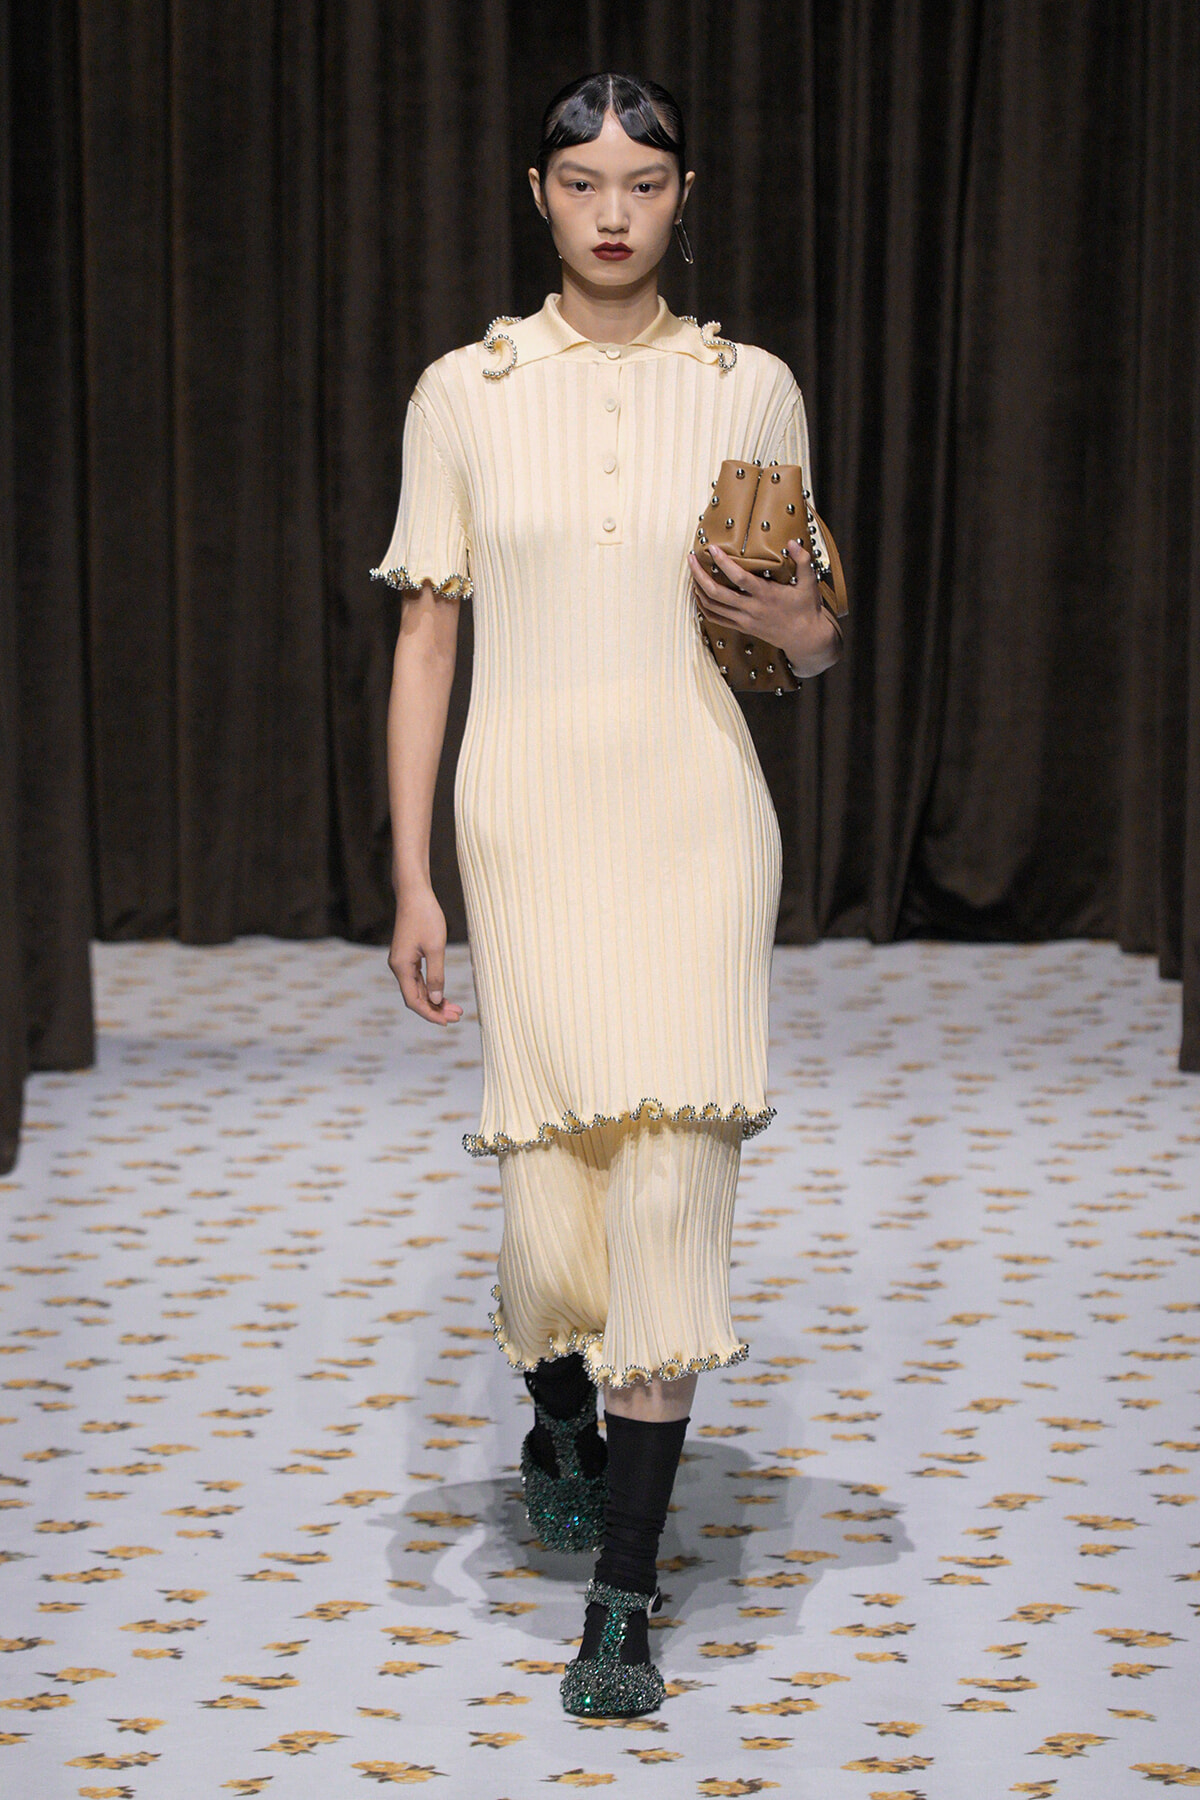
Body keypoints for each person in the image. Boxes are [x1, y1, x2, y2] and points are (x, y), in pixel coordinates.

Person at [373, 71, 842, 1719]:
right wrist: (414, 872)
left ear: (684, 193)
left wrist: (788, 622)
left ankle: (623, 1600)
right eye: (585, 182)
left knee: (671, 1182)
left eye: (645, 181)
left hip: (701, 813)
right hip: (529, 822)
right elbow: (428, 634)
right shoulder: (465, 392)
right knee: (550, 1202)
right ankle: (556, 1406)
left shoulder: (754, 387)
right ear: (541, 193)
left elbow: (812, 634)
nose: (616, 210)